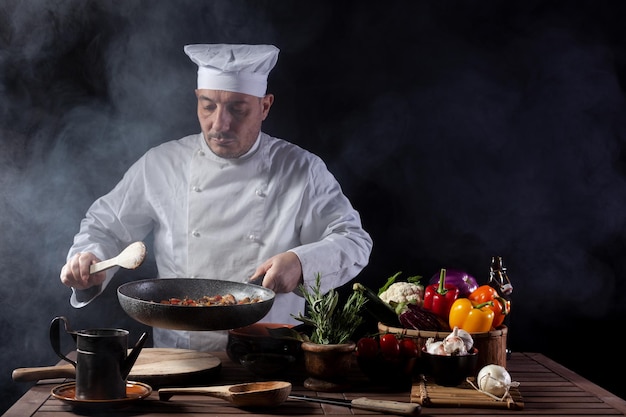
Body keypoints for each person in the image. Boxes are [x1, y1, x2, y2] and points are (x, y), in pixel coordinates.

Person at [59, 43, 373, 351]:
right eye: (209, 106)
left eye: (237, 109)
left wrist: (301, 263)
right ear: (197, 99)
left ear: (264, 106)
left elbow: (354, 240)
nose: (219, 123)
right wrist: (90, 260)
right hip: (179, 356)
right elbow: (106, 228)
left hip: (268, 355)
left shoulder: (301, 169)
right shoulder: (162, 164)